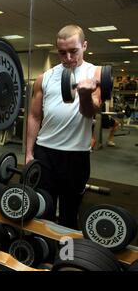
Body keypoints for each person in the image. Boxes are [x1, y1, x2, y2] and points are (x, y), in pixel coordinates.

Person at [26, 25, 102, 230]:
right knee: (43, 208)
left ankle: (65, 259)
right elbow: (34, 116)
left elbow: (90, 112)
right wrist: (28, 152)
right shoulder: (45, 77)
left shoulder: (94, 73)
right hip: (46, 153)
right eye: (61, 52)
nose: (67, 57)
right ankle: (43, 254)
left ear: (84, 46)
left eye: (73, 51)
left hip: (76, 155)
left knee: (70, 211)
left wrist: (85, 94)